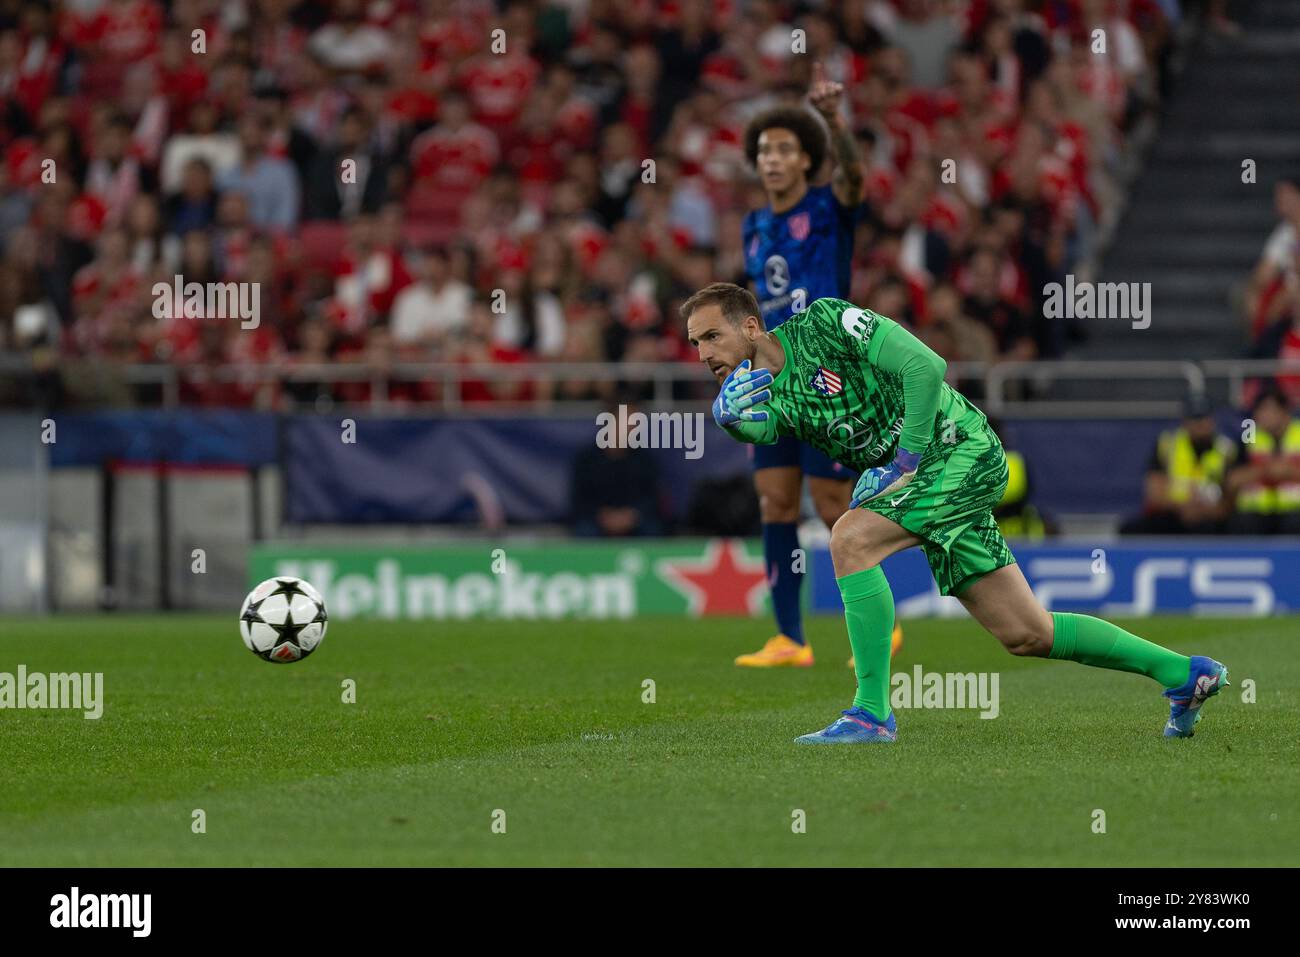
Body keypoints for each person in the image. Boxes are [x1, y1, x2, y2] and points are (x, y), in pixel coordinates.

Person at [682, 282, 1228, 742]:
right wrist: (731, 422)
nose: (704, 352)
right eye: (695, 343)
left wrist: (905, 459)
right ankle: (1183, 673)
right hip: (929, 474)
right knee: (1026, 633)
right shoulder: (764, 388)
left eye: (712, 336)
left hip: (958, 448)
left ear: (751, 327)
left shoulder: (825, 322)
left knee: (850, 539)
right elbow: (768, 429)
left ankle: (870, 714)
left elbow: (926, 365)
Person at [734, 62, 903, 668]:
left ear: (806, 158)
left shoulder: (830, 207)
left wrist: (834, 121)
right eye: (762, 151)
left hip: (828, 376)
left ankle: (880, 625)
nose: (771, 160)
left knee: (835, 507)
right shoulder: (753, 227)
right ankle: (790, 638)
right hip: (774, 381)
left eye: (782, 149)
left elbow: (855, 174)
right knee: (775, 503)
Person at [1120, 396, 1236, 535]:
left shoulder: (1227, 450)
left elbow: (1232, 495)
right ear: (1185, 422)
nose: (1200, 425)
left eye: (1204, 418)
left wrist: (1208, 510)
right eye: (1194, 419)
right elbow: (1154, 493)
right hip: (1175, 513)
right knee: (1130, 529)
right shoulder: (1168, 444)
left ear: (1213, 421)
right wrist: (1182, 507)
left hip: (1213, 515)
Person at [1224, 387, 1300, 535]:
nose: (1262, 416)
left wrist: (1290, 472)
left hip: (1295, 512)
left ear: (1285, 412)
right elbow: (1232, 480)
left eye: (1269, 410)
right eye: (1259, 410)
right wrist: (1263, 471)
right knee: (1241, 522)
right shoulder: (1248, 437)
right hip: (1255, 514)